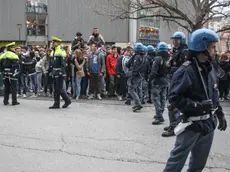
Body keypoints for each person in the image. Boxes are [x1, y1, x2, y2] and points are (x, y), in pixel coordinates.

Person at [163, 28, 227, 172]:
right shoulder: (186, 71)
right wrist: (197, 106)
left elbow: (214, 93)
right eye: (212, 47)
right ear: (202, 48)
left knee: (198, 165)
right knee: (175, 163)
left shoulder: (210, 68)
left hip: (208, 124)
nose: (215, 51)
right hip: (191, 125)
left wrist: (220, 113)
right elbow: (174, 98)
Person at [162, 31, 188, 137]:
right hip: (174, 80)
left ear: (181, 40)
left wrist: (173, 69)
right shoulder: (176, 50)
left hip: (180, 82)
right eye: (174, 39)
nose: (174, 41)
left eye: (176, 39)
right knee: (171, 104)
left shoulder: (185, 51)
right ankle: (172, 124)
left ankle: (174, 127)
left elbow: (186, 68)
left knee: (173, 105)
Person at [149, 42, 170, 125]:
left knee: (155, 98)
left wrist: (150, 79)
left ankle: (159, 116)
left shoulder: (157, 58)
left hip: (157, 81)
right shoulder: (168, 58)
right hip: (166, 80)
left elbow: (153, 71)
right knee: (163, 98)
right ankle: (160, 112)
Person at [49, 37, 71, 109]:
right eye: (52, 42)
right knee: (56, 89)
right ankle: (57, 103)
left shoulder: (61, 51)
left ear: (58, 43)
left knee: (59, 89)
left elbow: (63, 64)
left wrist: (61, 72)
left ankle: (66, 100)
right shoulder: (52, 51)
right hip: (54, 72)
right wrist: (50, 71)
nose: (52, 43)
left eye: (54, 42)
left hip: (59, 72)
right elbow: (51, 63)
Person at [126, 43, 146, 112]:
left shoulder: (136, 57)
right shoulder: (143, 56)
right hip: (141, 75)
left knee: (131, 89)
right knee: (139, 89)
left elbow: (135, 67)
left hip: (136, 75)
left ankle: (138, 104)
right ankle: (139, 102)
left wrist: (132, 77)